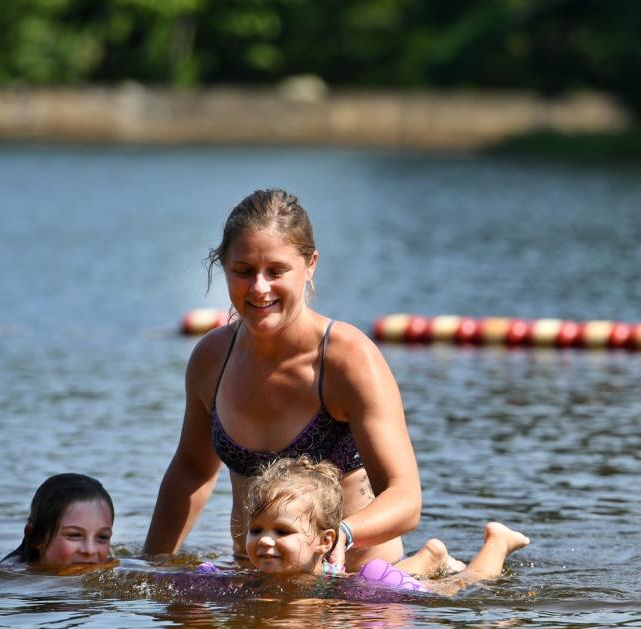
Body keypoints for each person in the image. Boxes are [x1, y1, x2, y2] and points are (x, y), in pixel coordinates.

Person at [145, 188, 427, 571]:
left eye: (276, 271)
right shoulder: (211, 359)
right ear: (222, 266)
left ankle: (431, 562)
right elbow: (191, 471)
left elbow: (406, 499)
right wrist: (152, 567)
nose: (259, 288)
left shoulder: (348, 360)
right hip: (253, 578)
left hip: (353, 581)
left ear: (310, 265)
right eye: (243, 271)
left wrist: (341, 535)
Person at [235, 457, 529, 594]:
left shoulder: (343, 590)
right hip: (356, 580)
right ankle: (430, 556)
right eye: (257, 529)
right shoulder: (252, 584)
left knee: (458, 584)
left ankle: (497, 542)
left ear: (325, 541)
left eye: (282, 531)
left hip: (365, 585)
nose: (264, 540)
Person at [3, 473, 118, 573]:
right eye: (75, 535)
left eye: (102, 537)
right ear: (36, 538)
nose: (90, 550)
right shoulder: (10, 578)